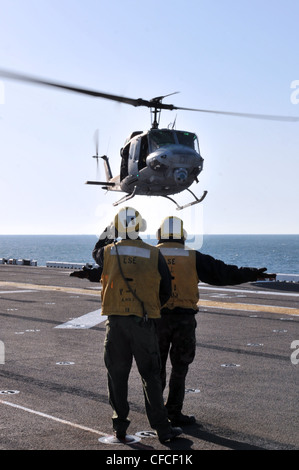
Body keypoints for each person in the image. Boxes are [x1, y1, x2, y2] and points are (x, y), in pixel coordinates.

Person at [155, 216, 276, 427]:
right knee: (180, 369)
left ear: (159, 234)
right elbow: (223, 273)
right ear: (182, 235)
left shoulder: (150, 255)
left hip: (157, 320)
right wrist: (252, 273)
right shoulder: (192, 257)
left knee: (156, 369)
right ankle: (173, 412)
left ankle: (156, 413)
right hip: (184, 320)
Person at [89, 207, 182, 443]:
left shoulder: (108, 252)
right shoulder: (153, 254)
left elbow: (95, 251)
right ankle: (163, 430)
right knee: (151, 376)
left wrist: (112, 229)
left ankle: (119, 427)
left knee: (117, 376)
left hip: (116, 324)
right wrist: (150, 309)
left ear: (118, 228)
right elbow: (166, 290)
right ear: (140, 226)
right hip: (143, 323)